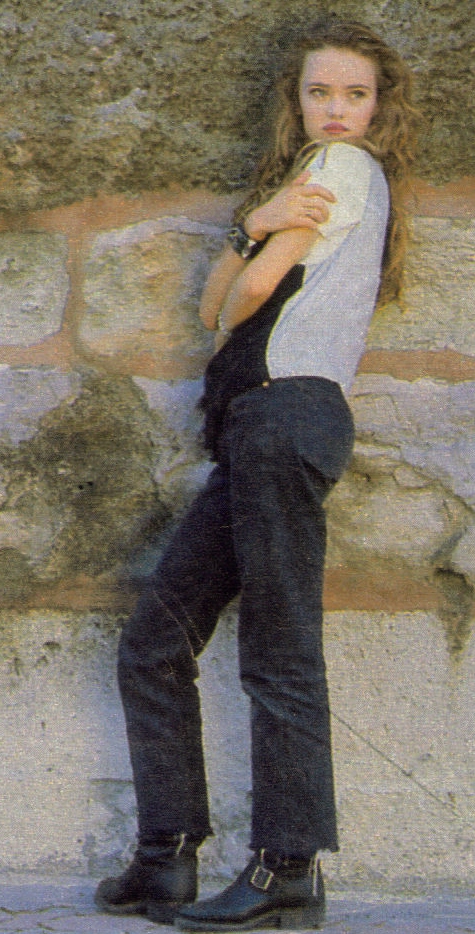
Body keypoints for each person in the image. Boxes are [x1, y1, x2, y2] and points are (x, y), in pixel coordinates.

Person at [94, 16, 418, 931]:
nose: (336, 109)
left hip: (285, 417)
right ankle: (164, 857)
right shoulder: (301, 182)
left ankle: (287, 870)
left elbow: (238, 299)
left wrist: (257, 233)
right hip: (256, 427)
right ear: (296, 100)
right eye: (320, 92)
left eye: (355, 94)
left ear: (378, 108)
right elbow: (215, 311)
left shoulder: (340, 168)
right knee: (154, 640)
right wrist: (255, 223)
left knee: (278, 647)